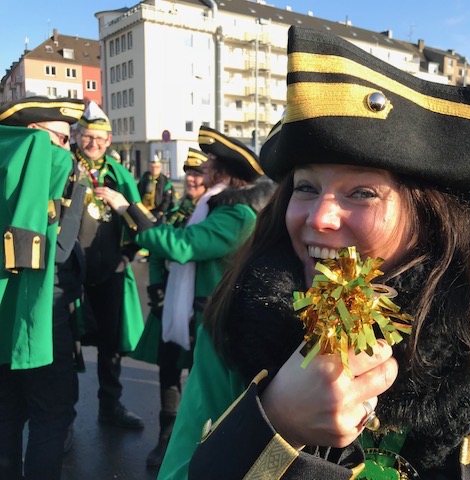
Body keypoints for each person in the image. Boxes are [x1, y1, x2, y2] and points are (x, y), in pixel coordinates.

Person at [158, 26, 470, 480]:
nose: (319, 217)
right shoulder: (232, 327)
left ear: (431, 218)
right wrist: (275, 425)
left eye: (362, 192)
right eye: (306, 187)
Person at [96, 127, 275, 468]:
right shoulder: (214, 206)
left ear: (224, 173)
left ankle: (197, 458)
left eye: (209, 166)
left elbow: (182, 245)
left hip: (211, 317)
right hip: (189, 310)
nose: (202, 172)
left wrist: (128, 210)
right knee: (172, 373)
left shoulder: (237, 214)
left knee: (203, 397)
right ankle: (170, 443)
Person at [0, 97, 86, 479]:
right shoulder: (58, 167)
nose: (69, 148)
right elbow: (63, 250)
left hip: (4, 310)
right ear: (34, 133)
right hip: (43, 311)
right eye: (63, 139)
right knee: (50, 416)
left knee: (6, 415)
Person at [73, 101, 146, 429]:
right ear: (77, 136)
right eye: (88, 136)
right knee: (66, 345)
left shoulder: (118, 174)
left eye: (100, 138)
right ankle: (62, 417)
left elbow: (139, 218)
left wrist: (127, 256)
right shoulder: (66, 167)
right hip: (70, 274)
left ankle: (110, 406)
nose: (94, 143)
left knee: (110, 344)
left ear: (109, 140)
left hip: (110, 272)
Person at [137, 156, 176, 220]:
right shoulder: (144, 178)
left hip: (157, 211)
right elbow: (138, 192)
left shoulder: (165, 181)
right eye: (152, 167)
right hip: (143, 209)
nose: (154, 169)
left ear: (160, 168)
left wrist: (162, 210)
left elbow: (167, 198)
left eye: (157, 167)